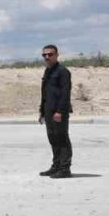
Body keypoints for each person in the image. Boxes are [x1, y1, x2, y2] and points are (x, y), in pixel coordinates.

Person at [39, 44, 73, 178]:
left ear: (57, 55)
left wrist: (59, 111)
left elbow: (65, 94)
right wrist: (41, 111)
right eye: (44, 55)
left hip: (59, 112)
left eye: (50, 54)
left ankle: (65, 168)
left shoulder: (63, 71)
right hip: (48, 111)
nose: (47, 57)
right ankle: (56, 166)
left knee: (62, 138)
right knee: (53, 138)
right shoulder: (48, 71)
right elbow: (45, 93)